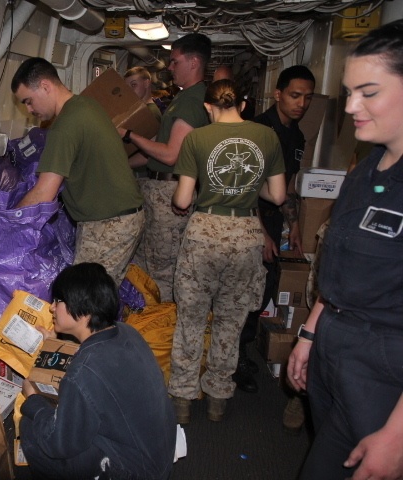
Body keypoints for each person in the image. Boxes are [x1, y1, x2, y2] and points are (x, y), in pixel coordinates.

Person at [287, 19, 403, 480]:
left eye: (368, 92)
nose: (351, 106)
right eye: (349, 91)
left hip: (386, 371)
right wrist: (311, 332)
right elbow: (342, 265)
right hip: (337, 349)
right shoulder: (367, 166)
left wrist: (396, 434)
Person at [167, 79, 286, 424]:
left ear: (207, 107)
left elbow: (183, 200)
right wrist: (247, 188)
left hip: (204, 232)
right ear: (243, 105)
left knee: (190, 318)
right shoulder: (267, 137)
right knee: (231, 321)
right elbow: (277, 196)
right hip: (247, 234)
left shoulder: (197, 138)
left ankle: (183, 398)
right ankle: (219, 397)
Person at [19, 262, 176, 479]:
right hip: (157, 455)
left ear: (83, 312)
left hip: (135, 472)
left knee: (32, 426)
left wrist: (33, 399)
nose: (52, 307)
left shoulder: (83, 372)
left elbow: (58, 444)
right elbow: (91, 366)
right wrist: (52, 347)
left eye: (58, 301)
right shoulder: (126, 332)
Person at [11, 57, 145, 286]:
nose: (29, 110)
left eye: (29, 101)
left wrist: (8, 222)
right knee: (95, 297)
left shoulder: (66, 124)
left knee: (85, 302)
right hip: (116, 217)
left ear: (45, 86)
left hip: (110, 224)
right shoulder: (86, 105)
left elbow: (45, 192)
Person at [233, 65, 316, 397]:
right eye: (295, 95)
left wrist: (294, 225)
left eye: (308, 98)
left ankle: (243, 347)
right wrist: (262, 233)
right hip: (252, 220)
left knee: (264, 290)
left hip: (276, 221)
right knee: (243, 292)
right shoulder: (257, 129)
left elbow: (290, 185)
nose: (301, 104)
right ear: (278, 94)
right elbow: (245, 186)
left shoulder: (296, 137)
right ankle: (233, 358)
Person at [117, 33, 211, 302]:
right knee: (147, 262)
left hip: (170, 194)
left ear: (193, 62)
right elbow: (152, 153)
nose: (170, 68)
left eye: (175, 61)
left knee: (164, 269)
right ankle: (149, 323)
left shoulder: (193, 100)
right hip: (157, 190)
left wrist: (130, 135)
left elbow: (170, 155)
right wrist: (120, 163)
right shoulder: (183, 99)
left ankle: (162, 330)